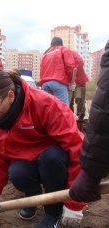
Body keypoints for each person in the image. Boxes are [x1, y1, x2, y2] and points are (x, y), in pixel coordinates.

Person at [0, 68, 86, 228]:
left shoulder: (46, 105)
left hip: (56, 161)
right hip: (27, 159)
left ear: (10, 96)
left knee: (50, 158)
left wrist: (75, 203)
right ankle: (32, 196)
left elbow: (78, 150)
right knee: (18, 173)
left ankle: (53, 212)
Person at [69, 40, 109, 204]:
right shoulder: (70, 56)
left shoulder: (71, 56)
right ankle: (78, 118)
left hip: (76, 83)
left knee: (77, 104)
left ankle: (78, 118)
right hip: (72, 83)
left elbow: (105, 107)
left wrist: (90, 173)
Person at [40, 37, 76, 105]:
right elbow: (71, 67)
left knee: (47, 109)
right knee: (63, 110)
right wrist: (72, 82)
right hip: (59, 83)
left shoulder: (45, 54)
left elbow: (41, 71)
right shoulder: (64, 50)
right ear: (61, 44)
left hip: (45, 84)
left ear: (51, 45)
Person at [69, 50, 89, 130]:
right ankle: (71, 121)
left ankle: (81, 123)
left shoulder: (71, 53)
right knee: (69, 102)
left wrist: (74, 74)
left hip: (79, 83)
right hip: (71, 83)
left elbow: (80, 62)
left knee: (79, 101)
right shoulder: (63, 54)